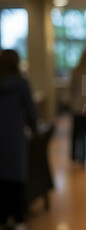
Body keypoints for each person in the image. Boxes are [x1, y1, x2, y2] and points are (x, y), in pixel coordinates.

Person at [0, 49, 37, 230]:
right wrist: (34, 127)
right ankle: (19, 220)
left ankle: (3, 217)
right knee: (17, 177)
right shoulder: (21, 84)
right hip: (14, 136)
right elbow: (30, 111)